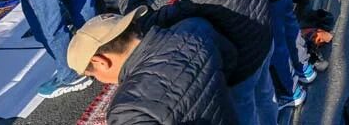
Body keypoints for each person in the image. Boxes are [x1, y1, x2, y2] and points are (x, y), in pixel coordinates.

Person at [112, 0, 278, 125]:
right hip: (264, 39)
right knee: (266, 95)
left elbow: (149, 23)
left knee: (245, 110)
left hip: (242, 65)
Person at [67, 8, 237, 125]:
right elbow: (230, 59)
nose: (100, 80)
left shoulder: (128, 110)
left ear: (100, 62)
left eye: (93, 75)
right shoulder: (193, 27)